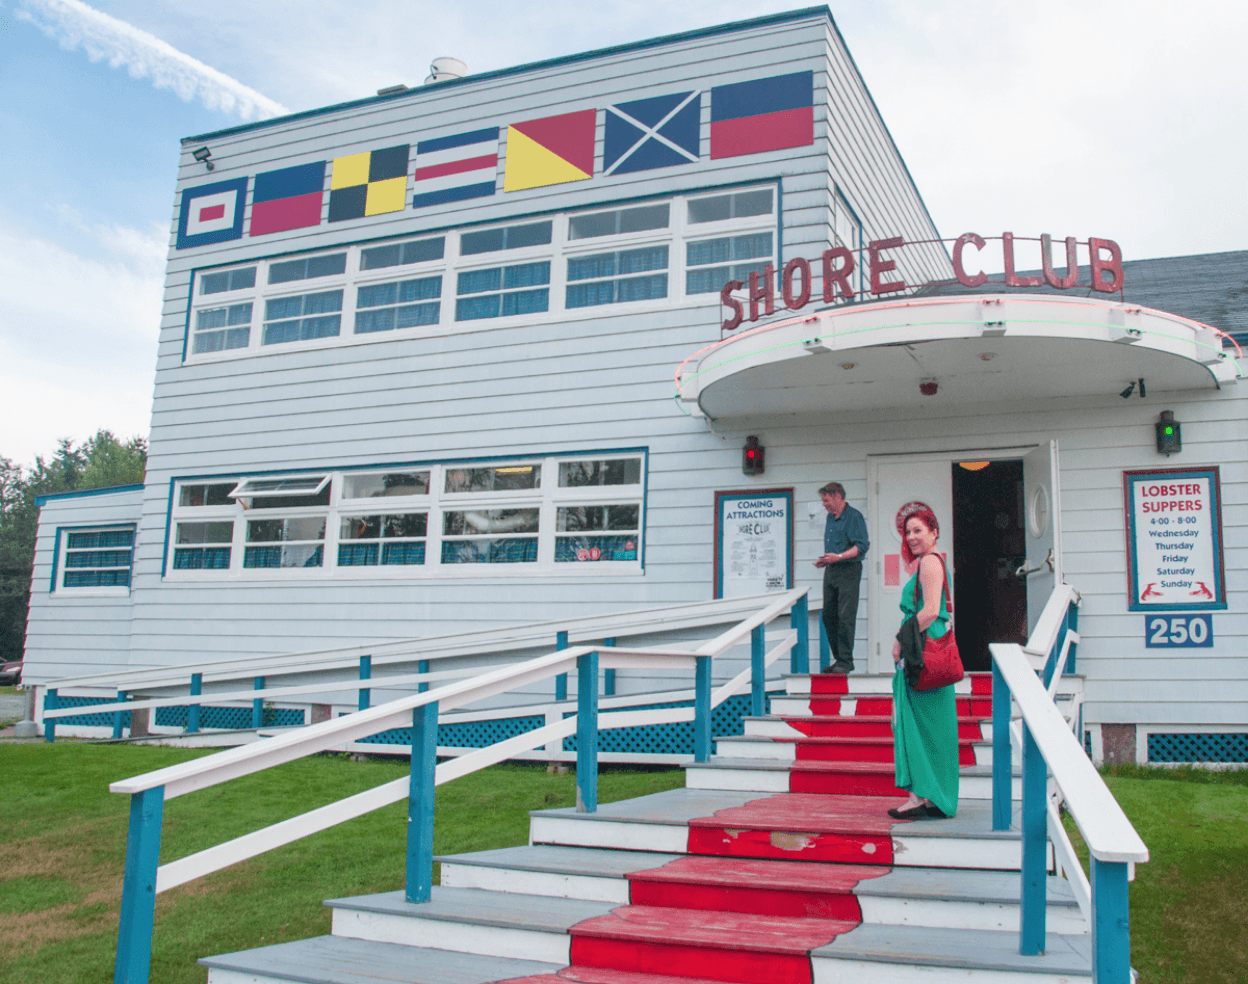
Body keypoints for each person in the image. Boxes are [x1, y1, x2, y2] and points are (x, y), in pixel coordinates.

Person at [888, 506, 959, 820]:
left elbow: (930, 610)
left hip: (922, 646)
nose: (912, 537)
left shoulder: (930, 562)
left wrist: (900, 638)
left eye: (918, 530)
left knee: (913, 721)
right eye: (908, 531)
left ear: (934, 532)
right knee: (933, 726)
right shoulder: (932, 562)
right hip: (927, 642)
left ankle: (918, 797)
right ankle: (933, 797)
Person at [813, 482, 869, 674]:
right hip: (832, 570)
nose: (824, 505)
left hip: (849, 570)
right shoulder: (830, 517)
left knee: (845, 616)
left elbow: (861, 546)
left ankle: (845, 661)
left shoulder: (854, 516)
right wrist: (827, 560)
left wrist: (839, 557)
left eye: (826, 500)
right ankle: (839, 660)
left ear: (837, 496)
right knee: (829, 616)